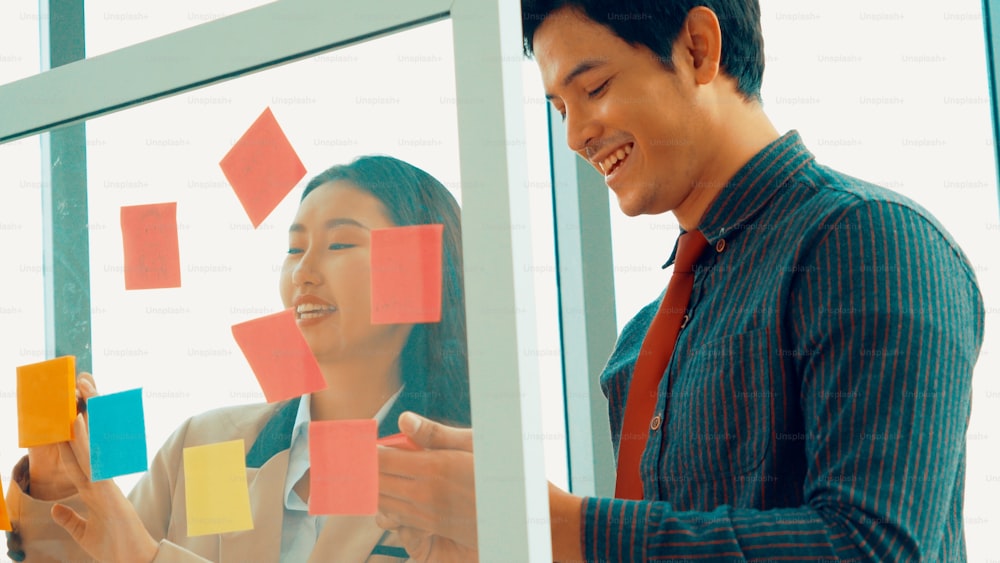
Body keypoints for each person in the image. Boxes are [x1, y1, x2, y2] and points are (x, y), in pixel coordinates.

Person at [375, 1, 986, 561]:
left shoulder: (871, 242)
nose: (575, 134)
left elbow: (873, 547)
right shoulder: (641, 342)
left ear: (697, 48)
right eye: (560, 109)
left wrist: (561, 527)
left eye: (594, 87)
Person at [5, 155, 470, 562]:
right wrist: (54, 482)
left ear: (420, 272)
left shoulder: (464, 478)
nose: (303, 273)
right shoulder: (203, 444)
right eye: (293, 249)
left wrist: (148, 560)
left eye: (340, 244)